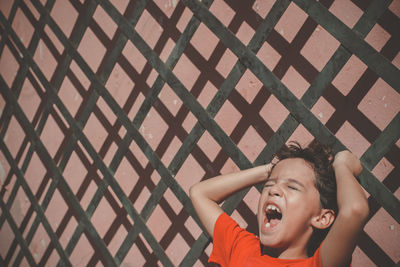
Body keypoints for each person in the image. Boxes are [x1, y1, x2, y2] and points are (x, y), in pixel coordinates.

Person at [189, 141, 369, 267]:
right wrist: (269, 170)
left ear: (322, 218)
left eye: (292, 187)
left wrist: (342, 165)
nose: (273, 190)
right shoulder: (242, 248)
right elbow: (200, 193)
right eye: (269, 185)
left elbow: (354, 210)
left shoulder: (319, 263)